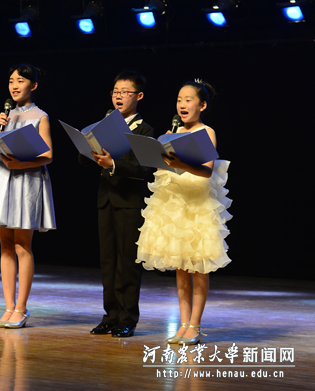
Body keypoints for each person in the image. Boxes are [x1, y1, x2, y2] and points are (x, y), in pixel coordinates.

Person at [136, 79, 232, 345]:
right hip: (175, 202)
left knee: (198, 266)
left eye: (188, 100)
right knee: (180, 267)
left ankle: (195, 325)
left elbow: (207, 170)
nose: (182, 104)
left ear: (202, 105)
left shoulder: (206, 132)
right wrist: (162, 155)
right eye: (179, 100)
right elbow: (163, 168)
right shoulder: (173, 132)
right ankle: (183, 323)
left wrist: (181, 163)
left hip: (197, 204)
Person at [0, 63, 55, 329]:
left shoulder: (40, 116)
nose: (14, 85)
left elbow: (47, 155)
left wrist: (20, 164)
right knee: (5, 245)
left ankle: (21, 308)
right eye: (11, 81)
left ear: (33, 85)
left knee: (22, 245)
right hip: (4, 178)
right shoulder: (6, 115)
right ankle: (8, 307)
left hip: (27, 180)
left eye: (20, 80)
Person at [81, 70, 154, 337]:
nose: (119, 96)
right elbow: (83, 159)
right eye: (115, 92)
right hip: (106, 200)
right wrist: (87, 146)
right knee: (108, 261)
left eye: (125, 92)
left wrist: (112, 163)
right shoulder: (104, 124)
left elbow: (142, 167)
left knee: (128, 263)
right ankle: (110, 316)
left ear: (139, 96)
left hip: (129, 202)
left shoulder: (145, 130)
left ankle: (127, 318)